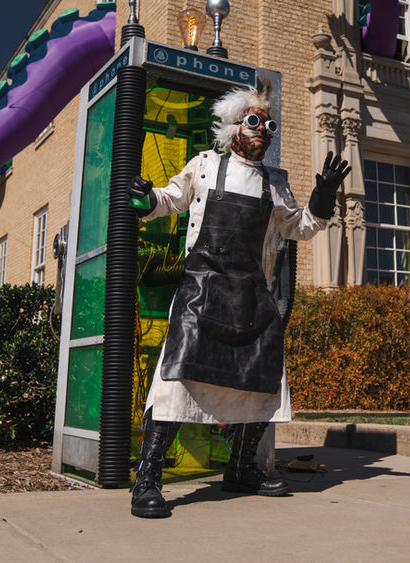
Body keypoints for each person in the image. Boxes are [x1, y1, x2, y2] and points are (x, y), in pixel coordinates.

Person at [125, 81, 350, 518]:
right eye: (254, 121)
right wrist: (145, 198)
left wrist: (323, 196)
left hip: (251, 294)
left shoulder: (275, 182)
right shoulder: (204, 165)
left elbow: (299, 226)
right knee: (174, 380)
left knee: (263, 378)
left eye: (269, 125)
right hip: (201, 291)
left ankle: (242, 468)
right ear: (233, 128)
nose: (263, 130)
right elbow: (170, 199)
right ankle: (147, 479)